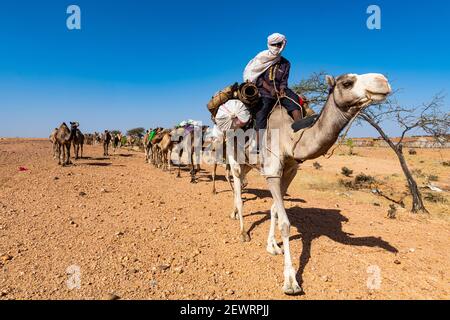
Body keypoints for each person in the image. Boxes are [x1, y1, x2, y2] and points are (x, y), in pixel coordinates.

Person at [243, 33, 304, 130]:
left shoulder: (286, 63)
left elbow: (284, 80)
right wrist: (270, 88)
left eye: (278, 44)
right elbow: (256, 77)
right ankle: (259, 142)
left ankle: (300, 129)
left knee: (295, 102)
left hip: (281, 91)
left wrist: (282, 88)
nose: (276, 47)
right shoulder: (261, 59)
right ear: (269, 45)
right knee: (261, 113)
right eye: (274, 44)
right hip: (264, 91)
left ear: (282, 45)